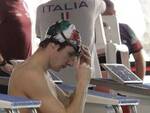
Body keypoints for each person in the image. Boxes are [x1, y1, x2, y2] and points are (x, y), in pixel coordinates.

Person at [8, 20, 91, 113]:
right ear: (53, 45)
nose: (71, 63)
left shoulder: (41, 71)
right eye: (69, 54)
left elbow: (67, 103)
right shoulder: (30, 74)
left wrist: (84, 72)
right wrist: (83, 83)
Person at [35, 0, 106, 82]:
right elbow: (104, 7)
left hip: (50, 80)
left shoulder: (41, 9)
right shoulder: (92, 3)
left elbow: (41, 36)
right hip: (84, 80)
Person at [101, 0, 145, 80]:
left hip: (123, 78)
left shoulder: (126, 29)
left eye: (109, 17)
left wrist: (138, 84)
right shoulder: (89, 32)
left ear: (115, 13)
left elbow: (139, 58)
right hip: (97, 78)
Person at [0, 0, 32, 94]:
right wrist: (3, 64)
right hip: (6, 70)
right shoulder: (2, 4)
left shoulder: (24, 4)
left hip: (23, 69)